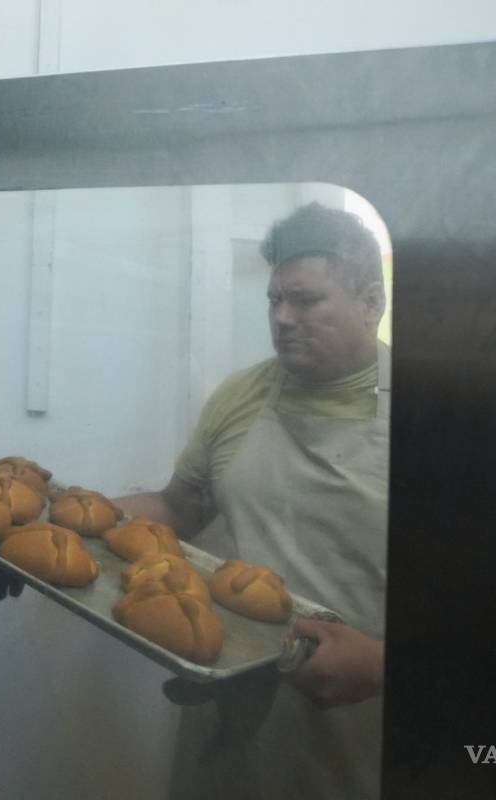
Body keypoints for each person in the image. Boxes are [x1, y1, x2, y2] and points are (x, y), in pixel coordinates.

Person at [116, 201, 390, 799]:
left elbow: (491, 612)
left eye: (306, 299)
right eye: (274, 300)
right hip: (231, 709)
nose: (283, 318)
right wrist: (42, 517)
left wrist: (380, 665)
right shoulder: (242, 395)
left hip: (356, 723)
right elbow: (178, 509)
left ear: (371, 303)